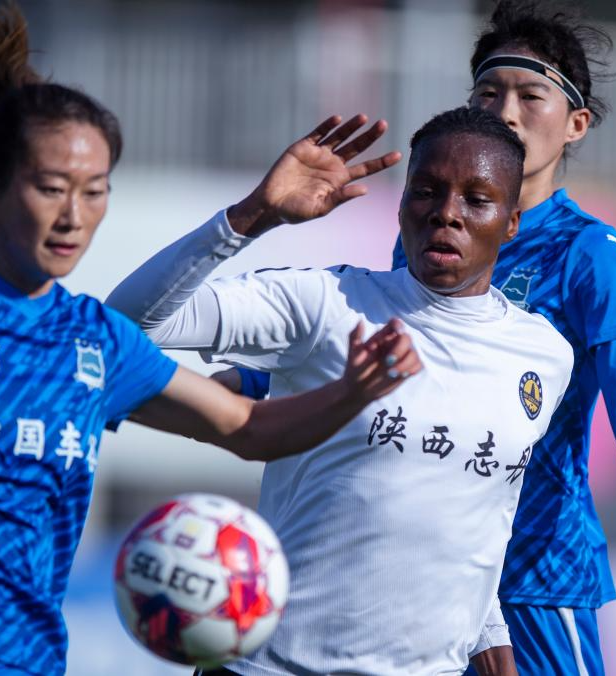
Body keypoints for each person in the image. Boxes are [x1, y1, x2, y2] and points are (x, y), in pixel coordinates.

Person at [0, 8, 422, 676]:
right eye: (51, 188)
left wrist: (354, 391)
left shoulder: (95, 339)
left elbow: (246, 427)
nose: (73, 216)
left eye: (94, 191)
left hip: (19, 657)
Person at [230, 2, 616, 674]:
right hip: (424, 570)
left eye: (530, 96)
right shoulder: (427, 234)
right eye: (488, 93)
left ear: (576, 124)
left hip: (534, 574)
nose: (506, 111)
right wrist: (248, 380)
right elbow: (378, 351)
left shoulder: (591, 257)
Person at [106, 106, 575, 675]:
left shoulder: (545, 355)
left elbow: (479, 520)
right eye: (427, 191)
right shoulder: (327, 304)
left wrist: (490, 637)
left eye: (477, 200)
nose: (446, 213)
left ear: (512, 221)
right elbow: (124, 327)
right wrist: (253, 215)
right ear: (401, 205)